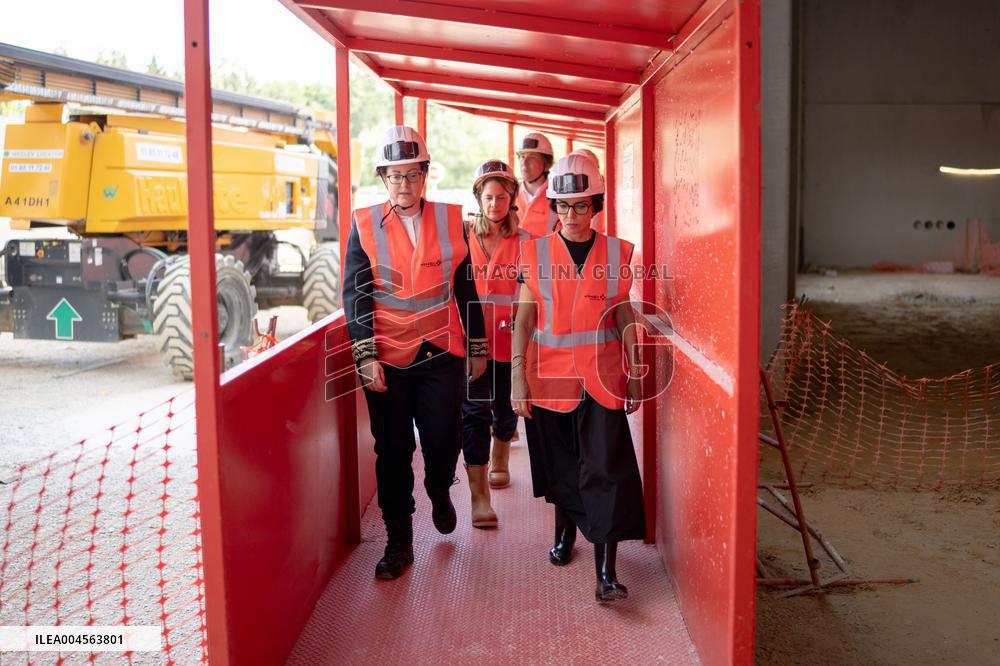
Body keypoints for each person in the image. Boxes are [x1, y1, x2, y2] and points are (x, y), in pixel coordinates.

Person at [342, 125, 489, 580]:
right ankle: (399, 542)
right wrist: (365, 356)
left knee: (444, 438)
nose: (403, 184)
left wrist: (479, 346)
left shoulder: (451, 221)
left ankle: (440, 486)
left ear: (425, 176)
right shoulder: (363, 225)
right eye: (394, 175)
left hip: (441, 351)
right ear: (383, 178)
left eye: (412, 174)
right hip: (387, 357)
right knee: (392, 450)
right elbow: (355, 296)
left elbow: (467, 289)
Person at [510, 153, 646, 603]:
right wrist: (516, 380)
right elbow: (524, 321)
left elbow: (624, 312)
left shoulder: (616, 251)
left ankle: (606, 573)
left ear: (597, 204)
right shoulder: (533, 252)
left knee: (605, 468)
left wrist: (636, 365)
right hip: (549, 379)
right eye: (562, 206)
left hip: (602, 378)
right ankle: (566, 535)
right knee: (563, 465)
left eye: (581, 205)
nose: (571, 215)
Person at [461, 160, 532, 528]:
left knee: (505, 410)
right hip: (471, 344)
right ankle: (478, 498)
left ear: (511, 199)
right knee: (473, 413)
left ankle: (501, 458)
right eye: (488, 197)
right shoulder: (461, 238)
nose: (494, 204)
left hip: (509, 342)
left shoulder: (526, 243)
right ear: (478, 197)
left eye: (501, 197)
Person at [513, 132, 561, 238]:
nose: (524, 163)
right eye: (522, 157)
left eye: (532, 157)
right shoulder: (510, 192)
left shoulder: (558, 196)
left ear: (547, 164)